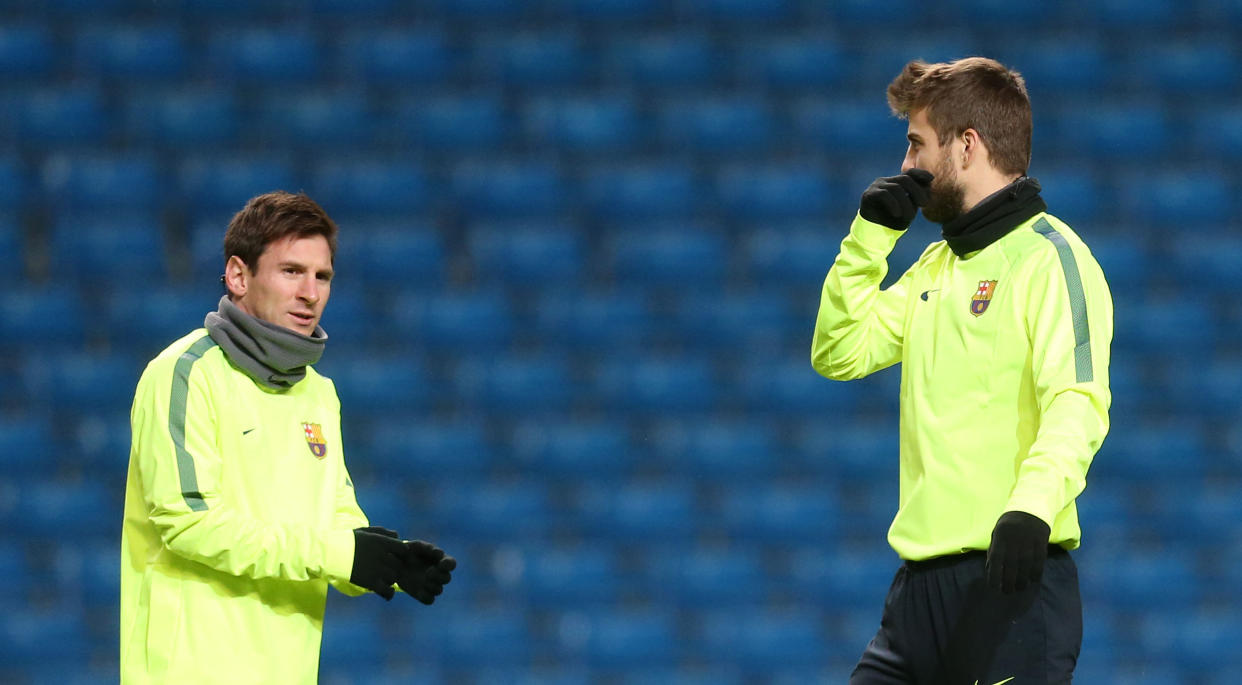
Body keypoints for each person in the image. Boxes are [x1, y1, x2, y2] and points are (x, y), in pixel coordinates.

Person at [811, 57, 1112, 683]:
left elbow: (1077, 399)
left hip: (1012, 583)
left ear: (967, 145)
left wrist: (1031, 509)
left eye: (917, 143)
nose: (906, 166)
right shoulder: (933, 269)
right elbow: (840, 352)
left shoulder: (1052, 259)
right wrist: (868, 241)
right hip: (916, 598)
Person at [120, 191, 456, 683]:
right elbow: (190, 524)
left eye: (322, 277)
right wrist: (340, 553)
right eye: (291, 271)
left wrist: (388, 563)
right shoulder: (184, 373)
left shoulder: (319, 393)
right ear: (238, 275)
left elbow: (333, 521)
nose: (310, 292)